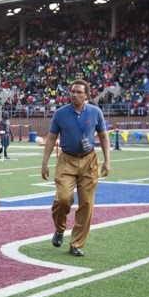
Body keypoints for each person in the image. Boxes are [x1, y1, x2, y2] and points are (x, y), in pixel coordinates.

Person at [40, 79, 111, 257]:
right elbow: (51, 138)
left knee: (86, 203)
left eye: (79, 92)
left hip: (89, 161)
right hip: (67, 161)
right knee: (63, 199)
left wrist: (107, 161)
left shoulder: (95, 112)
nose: (75, 95)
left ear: (86, 95)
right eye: (72, 91)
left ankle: (76, 244)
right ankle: (60, 228)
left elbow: (103, 136)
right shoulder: (60, 114)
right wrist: (44, 163)